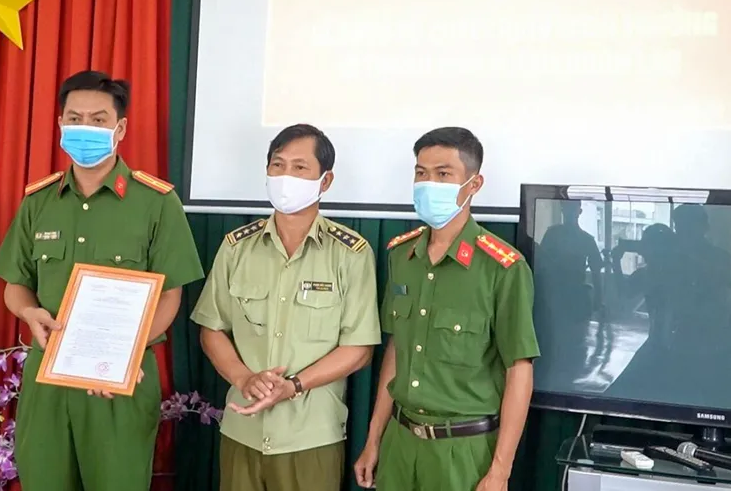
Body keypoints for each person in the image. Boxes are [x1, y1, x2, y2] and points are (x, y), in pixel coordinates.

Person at [0, 70, 205, 491]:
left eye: (98, 119)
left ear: (119, 129)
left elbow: (170, 295)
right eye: (75, 118)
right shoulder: (39, 201)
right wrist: (29, 312)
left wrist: (125, 353)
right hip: (47, 377)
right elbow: (15, 285)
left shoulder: (156, 203)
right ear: (60, 124)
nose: (84, 127)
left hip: (119, 381)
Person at [191, 123, 381, 491]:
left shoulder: (350, 254)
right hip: (242, 431)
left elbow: (359, 349)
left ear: (325, 181)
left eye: (299, 167)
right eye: (277, 165)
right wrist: (244, 378)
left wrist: (293, 386)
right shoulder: (236, 247)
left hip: (311, 437)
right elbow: (211, 328)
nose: (285, 176)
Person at [354, 127, 539, 491]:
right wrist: (374, 438)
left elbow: (519, 369)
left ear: (474, 184)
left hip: (463, 452)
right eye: (421, 173)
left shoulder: (503, 267)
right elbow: (397, 350)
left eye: (443, 174)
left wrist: (500, 470)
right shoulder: (401, 255)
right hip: (400, 442)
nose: (429, 184)